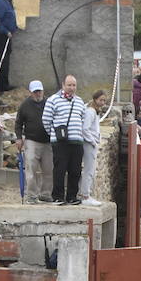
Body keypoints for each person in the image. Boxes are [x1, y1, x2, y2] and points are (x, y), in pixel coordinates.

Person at [42, 74, 87, 205]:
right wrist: (54, 134)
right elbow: (46, 120)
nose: (72, 88)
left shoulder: (79, 101)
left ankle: (72, 196)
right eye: (69, 85)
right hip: (60, 142)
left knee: (75, 170)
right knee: (59, 170)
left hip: (77, 141)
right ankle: (58, 196)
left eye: (74, 85)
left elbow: (82, 119)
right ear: (63, 85)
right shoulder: (53, 100)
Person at [79, 89, 107, 206]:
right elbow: (85, 128)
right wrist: (93, 141)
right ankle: (85, 195)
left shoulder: (93, 111)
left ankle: (84, 193)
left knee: (89, 170)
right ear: (95, 99)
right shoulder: (90, 111)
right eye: (101, 100)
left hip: (91, 142)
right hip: (89, 143)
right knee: (89, 170)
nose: (102, 103)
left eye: (104, 100)